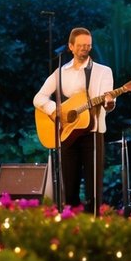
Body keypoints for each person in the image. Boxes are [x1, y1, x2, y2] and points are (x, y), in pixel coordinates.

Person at [33, 27, 115, 213]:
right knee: (69, 187)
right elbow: (39, 98)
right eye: (80, 45)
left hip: (92, 134)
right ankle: (72, 225)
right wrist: (56, 111)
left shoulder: (103, 71)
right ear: (71, 46)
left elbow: (108, 102)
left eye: (88, 45)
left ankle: (93, 226)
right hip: (67, 132)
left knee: (94, 189)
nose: (85, 49)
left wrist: (109, 103)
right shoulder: (60, 72)